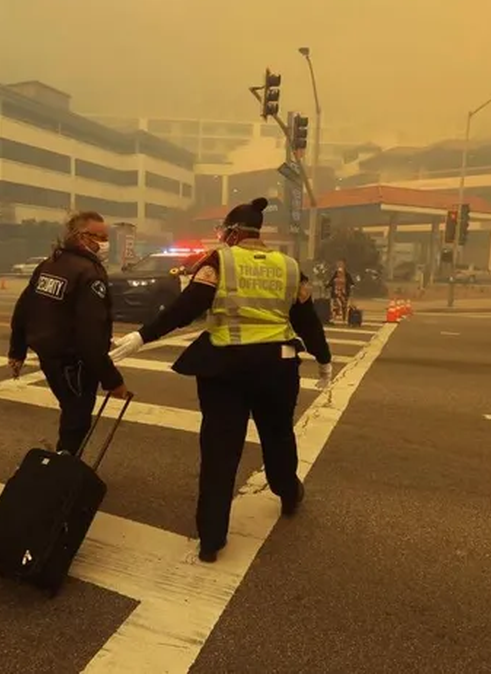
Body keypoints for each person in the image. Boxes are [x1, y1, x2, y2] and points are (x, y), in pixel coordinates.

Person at [108, 198, 332, 563]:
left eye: (222, 231)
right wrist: (323, 360)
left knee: (219, 451)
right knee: (277, 435)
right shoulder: (290, 268)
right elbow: (307, 320)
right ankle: (288, 492)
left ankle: (212, 538)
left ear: (232, 232)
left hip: (226, 369)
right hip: (278, 368)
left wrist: (140, 338)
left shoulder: (219, 261)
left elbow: (185, 309)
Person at [7, 211, 131, 455]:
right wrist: (112, 380)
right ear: (83, 237)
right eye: (102, 237)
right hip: (73, 363)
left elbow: (23, 308)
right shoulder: (89, 273)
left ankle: (62, 464)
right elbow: (91, 335)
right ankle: (62, 470)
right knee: (77, 417)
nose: (106, 244)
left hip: (50, 356)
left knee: (70, 410)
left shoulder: (51, 263)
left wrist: (17, 351)